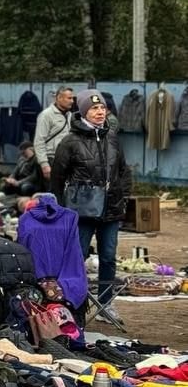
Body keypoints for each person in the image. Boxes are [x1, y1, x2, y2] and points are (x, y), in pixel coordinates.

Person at [50, 89, 132, 322]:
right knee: (78, 256)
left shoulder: (113, 139)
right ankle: (74, 302)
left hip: (111, 209)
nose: (99, 112)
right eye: (94, 108)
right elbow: (57, 177)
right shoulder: (70, 142)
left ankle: (106, 304)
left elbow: (124, 171)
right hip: (82, 211)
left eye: (102, 108)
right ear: (84, 111)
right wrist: (59, 208)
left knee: (108, 257)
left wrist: (123, 196)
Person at [33, 86, 75, 186]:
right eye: (69, 98)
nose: (72, 101)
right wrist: (44, 164)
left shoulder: (69, 115)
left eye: (73, 98)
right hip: (50, 159)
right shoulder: (46, 115)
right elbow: (39, 141)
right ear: (59, 98)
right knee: (51, 194)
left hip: (64, 160)